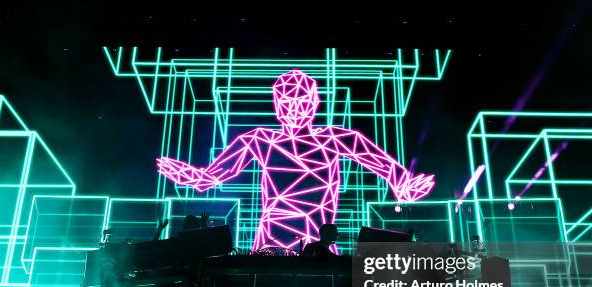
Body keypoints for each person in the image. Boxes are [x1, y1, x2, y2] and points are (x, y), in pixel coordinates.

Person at [157, 70, 435, 251]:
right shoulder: (260, 139)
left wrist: (404, 185)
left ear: (314, 103)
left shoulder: (337, 138)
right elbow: (210, 179)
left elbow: (384, 166)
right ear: (277, 105)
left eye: (302, 101)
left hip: (319, 244)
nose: (294, 109)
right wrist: (187, 176)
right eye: (287, 102)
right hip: (271, 243)